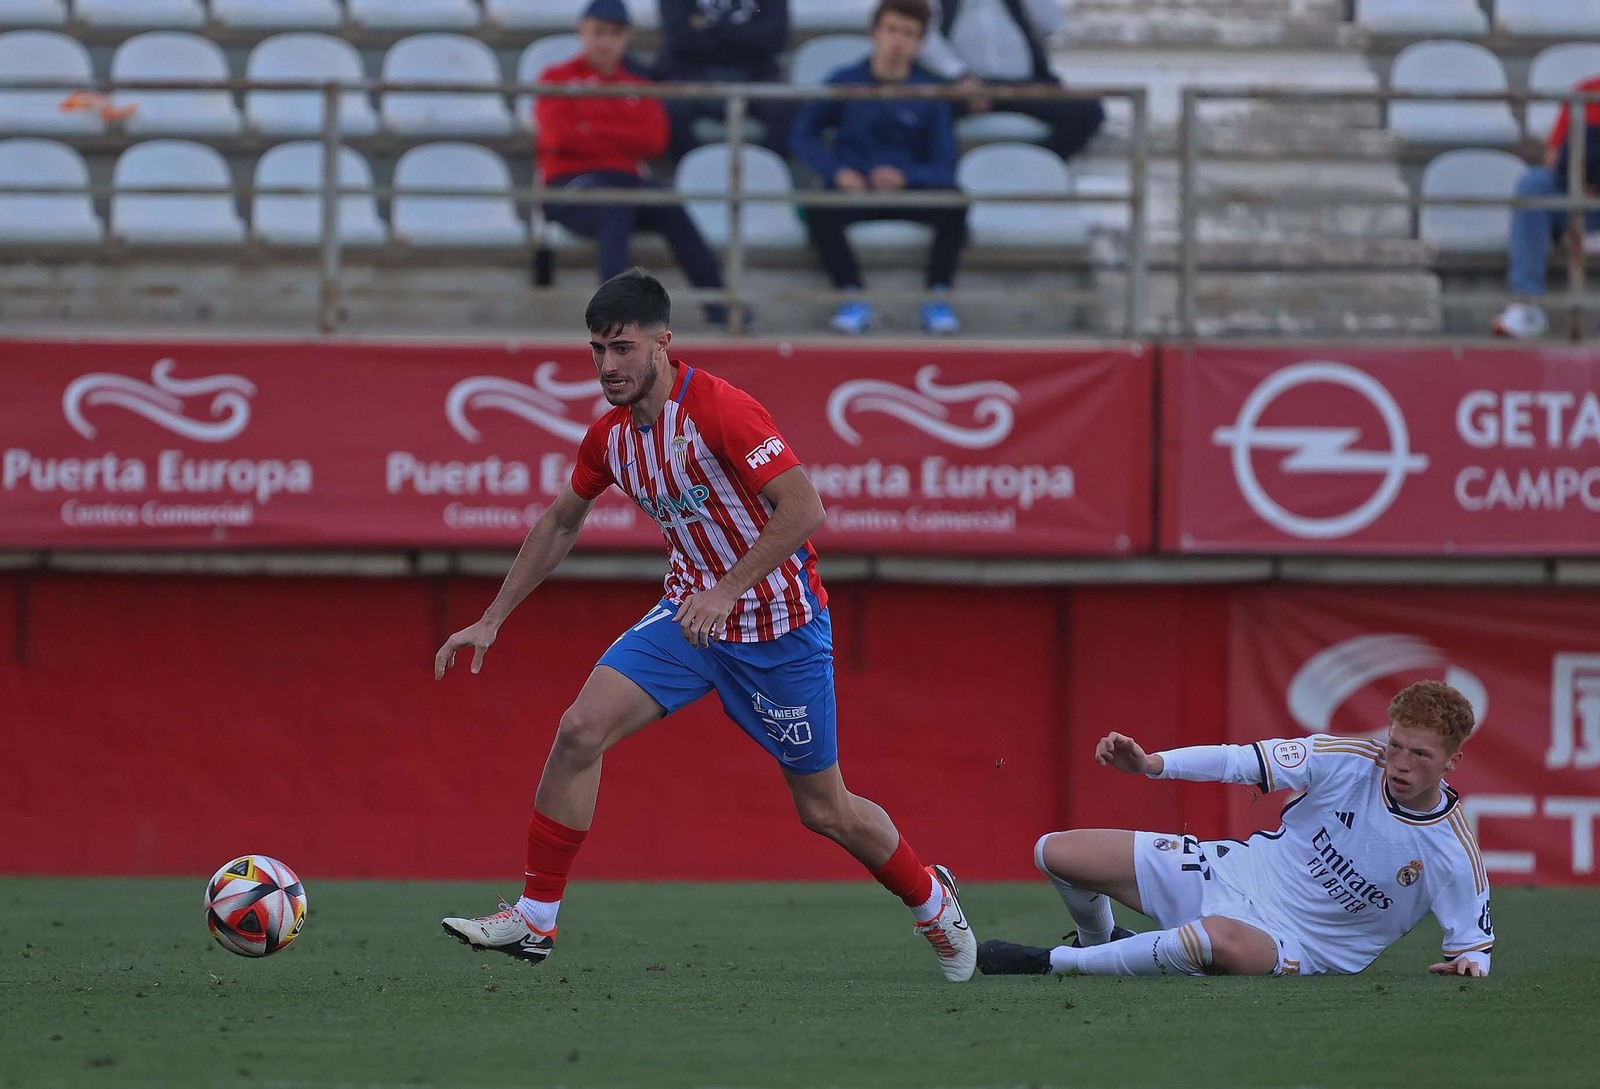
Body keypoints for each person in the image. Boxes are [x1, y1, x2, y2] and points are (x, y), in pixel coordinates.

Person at [435, 268, 978, 983]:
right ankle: (535, 920)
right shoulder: (610, 439)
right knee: (578, 731)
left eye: (622, 348)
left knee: (826, 809)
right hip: (688, 620)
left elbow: (805, 510)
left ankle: (932, 900)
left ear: (664, 343)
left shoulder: (723, 410)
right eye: (596, 350)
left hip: (778, 629)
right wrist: (492, 616)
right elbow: (562, 519)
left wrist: (727, 588)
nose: (607, 366)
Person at [979, 680, 1493, 980]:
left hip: (1293, 943)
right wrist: (1154, 764)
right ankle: (1100, 939)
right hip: (1227, 871)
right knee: (1056, 852)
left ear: (1453, 761)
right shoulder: (1349, 759)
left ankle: (1057, 963)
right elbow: (1239, 762)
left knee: (1217, 940)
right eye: (1395, 744)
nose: (1399, 763)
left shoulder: (1453, 851)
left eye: (1419, 754)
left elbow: (1473, 945)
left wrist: (1469, 964)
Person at [537, 0, 735, 325]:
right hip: (570, 185)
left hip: (623, 180)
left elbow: (654, 140)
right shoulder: (556, 77)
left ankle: (722, 310)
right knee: (617, 205)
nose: (605, 42)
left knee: (669, 206)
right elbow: (558, 138)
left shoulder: (636, 84)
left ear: (626, 37)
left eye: (614, 33)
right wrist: (620, 132)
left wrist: (589, 126)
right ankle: (613, 320)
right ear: (582, 32)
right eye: (598, 32)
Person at [790, 0, 967, 336]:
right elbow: (802, 135)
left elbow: (946, 164)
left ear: (919, 43)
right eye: (892, 30)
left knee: (956, 202)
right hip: (855, 192)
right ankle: (852, 295)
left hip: (910, 194)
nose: (898, 41)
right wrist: (837, 171)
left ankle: (937, 297)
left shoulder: (930, 93)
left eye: (909, 34)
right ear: (875, 33)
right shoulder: (845, 81)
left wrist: (907, 178)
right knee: (817, 205)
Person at [918, 0, 1104, 163]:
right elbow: (924, 36)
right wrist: (960, 76)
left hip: (1023, 86)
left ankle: (1032, 167)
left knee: (1088, 111)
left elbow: (1051, 24)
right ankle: (944, 176)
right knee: (919, 113)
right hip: (962, 88)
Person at [1494, 73, 1600, 339]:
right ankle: (1527, 306)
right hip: (1585, 202)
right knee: (1535, 183)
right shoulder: (1586, 91)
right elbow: (1554, 158)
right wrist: (1580, 183)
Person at [656, 0, 797, 159]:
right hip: (693, 75)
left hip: (756, 76)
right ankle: (693, 176)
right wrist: (746, 37)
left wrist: (713, 25)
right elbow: (680, 40)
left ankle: (760, 175)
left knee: (788, 108)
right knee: (669, 107)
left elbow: (775, 39)